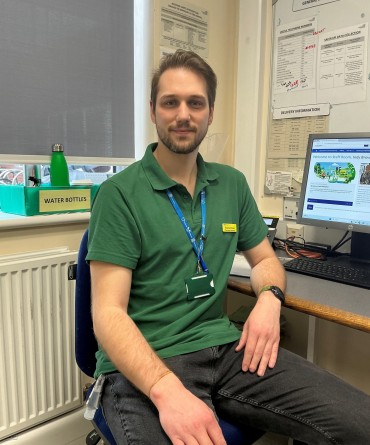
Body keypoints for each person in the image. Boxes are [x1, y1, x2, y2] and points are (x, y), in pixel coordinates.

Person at [87, 50, 370, 445]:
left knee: (360, 423)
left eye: (195, 103)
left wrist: (270, 301)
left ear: (210, 112)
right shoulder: (118, 194)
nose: (183, 114)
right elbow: (107, 314)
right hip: (143, 365)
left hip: (224, 348)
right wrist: (166, 390)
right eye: (170, 102)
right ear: (153, 111)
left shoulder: (231, 184)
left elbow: (266, 260)